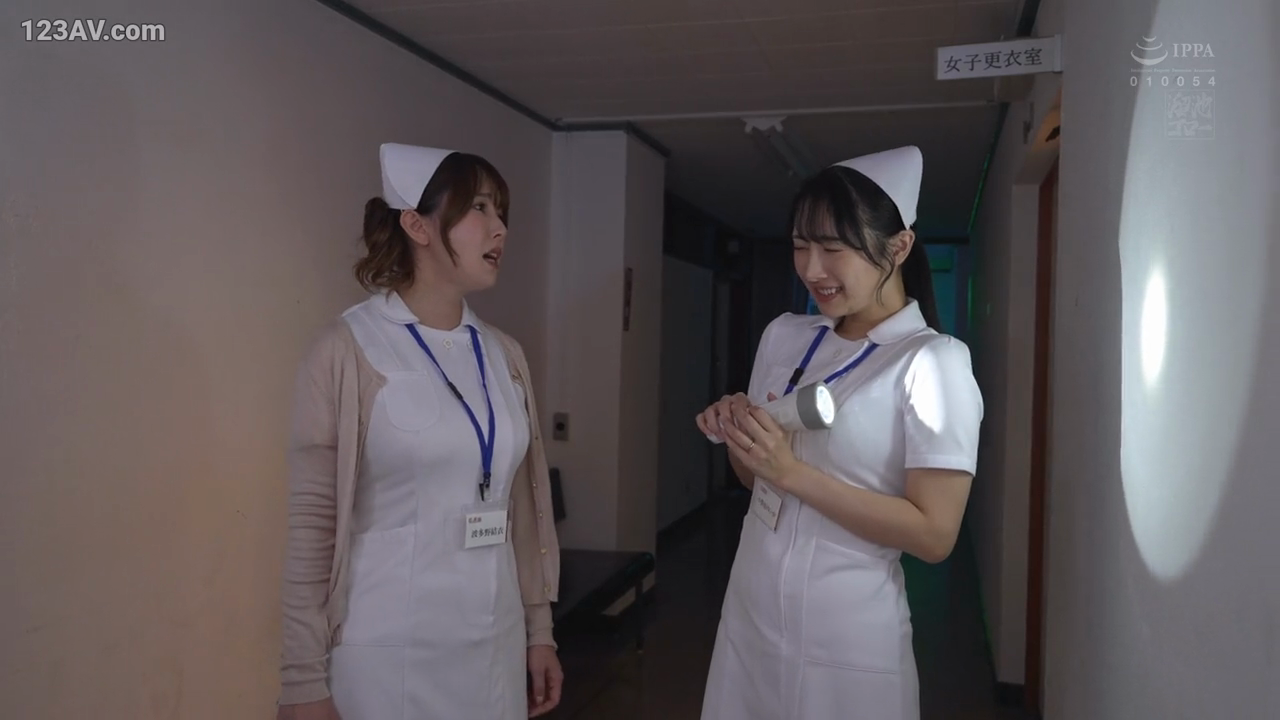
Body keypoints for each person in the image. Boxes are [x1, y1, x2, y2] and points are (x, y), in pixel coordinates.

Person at [276, 143, 563, 720]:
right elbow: (312, 525)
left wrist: (539, 631)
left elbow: (522, 511)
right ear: (416, 225)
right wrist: (302, 680)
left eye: (501, 211)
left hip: (495, 646)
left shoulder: (504, 355)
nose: (500, 228)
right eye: (479, 207)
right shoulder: (348, 349)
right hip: (389, 655)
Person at [696, 145, 983, 720]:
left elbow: (934, 535)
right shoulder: (785, 336)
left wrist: (792, 474)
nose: (811, 269)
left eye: (833, 248)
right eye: (800, 246)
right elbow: (754, 481)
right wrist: (741, 435)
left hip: (849, 639)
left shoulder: (931, 362)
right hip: (751, 618)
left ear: (899, 247)